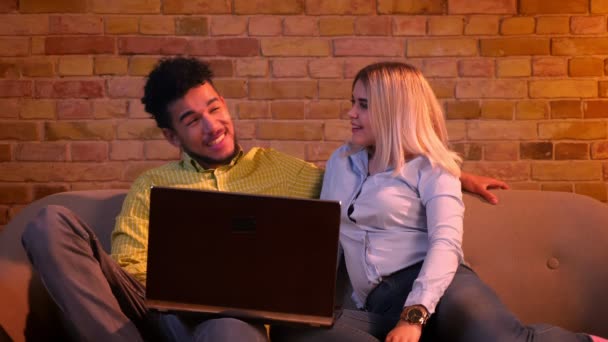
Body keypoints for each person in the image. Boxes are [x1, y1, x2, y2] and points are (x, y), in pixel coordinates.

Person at [21, 57, 508, 342]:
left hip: (232, 323)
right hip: (155, 315)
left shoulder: (288, 173)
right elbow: (127, 266)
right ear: (172, 137)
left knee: (230, 331)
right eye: (192, 121)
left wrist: (451, 173)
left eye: (214, 108)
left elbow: (373, 185)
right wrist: (187, 283)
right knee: (49, 223)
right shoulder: (152, 184)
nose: (212, 126)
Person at [271, 62, 606, 342]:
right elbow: (330, 233)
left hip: (443, 288)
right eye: (353, 102)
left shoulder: (433, 167)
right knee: (293, 331)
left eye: (363, 105)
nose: (351, 113)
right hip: (379, 303)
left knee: (505, 340)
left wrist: (414, 316)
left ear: (392, 111)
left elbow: (445, 244)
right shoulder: (341, 162)